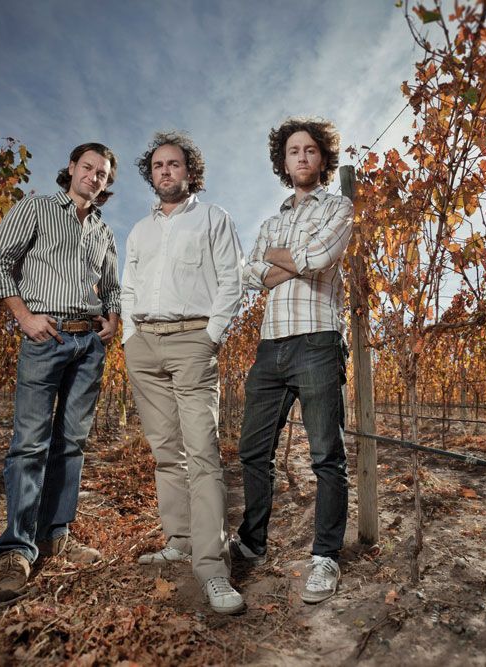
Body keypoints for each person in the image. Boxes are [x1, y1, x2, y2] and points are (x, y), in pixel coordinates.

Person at [0, 142, 121, 603]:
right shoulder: (36, 208)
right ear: (72, 168)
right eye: (88, 167)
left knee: (72, 443)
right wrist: (23, 316)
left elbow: (112, 286)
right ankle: (16, 550)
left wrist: (113, 318)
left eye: (103, 173)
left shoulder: (103, 230)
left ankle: (56, 534)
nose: (94, 177)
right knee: (29, 444)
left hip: (88, 344)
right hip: (46, 336)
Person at [121, 131, 246, 615]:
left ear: (189, 172)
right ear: (150, 174)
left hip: (193, 339)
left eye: (174, 164)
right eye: (158, 165)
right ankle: (179, 540)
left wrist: (211, 334)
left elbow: (232, 278)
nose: (166, 171)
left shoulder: (213, 218)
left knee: (203, 454)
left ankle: (212, 567)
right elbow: (128, 287)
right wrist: (129, 336)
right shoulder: (139, 230)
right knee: (165, 453)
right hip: (144, 344)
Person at [233, 117, 353, 604]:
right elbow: (250, 275)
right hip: (271, 345)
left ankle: (325, 557)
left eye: (310, 150)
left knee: (326, 455)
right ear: (283, 163)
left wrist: (280, 259)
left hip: (318, 340)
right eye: (293, 152)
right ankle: (252, 543)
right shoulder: (271, 222)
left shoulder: (339, 206)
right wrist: (294, 259)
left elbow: (320, 258)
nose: (302, 157)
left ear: (323, 158)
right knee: (252, 450)